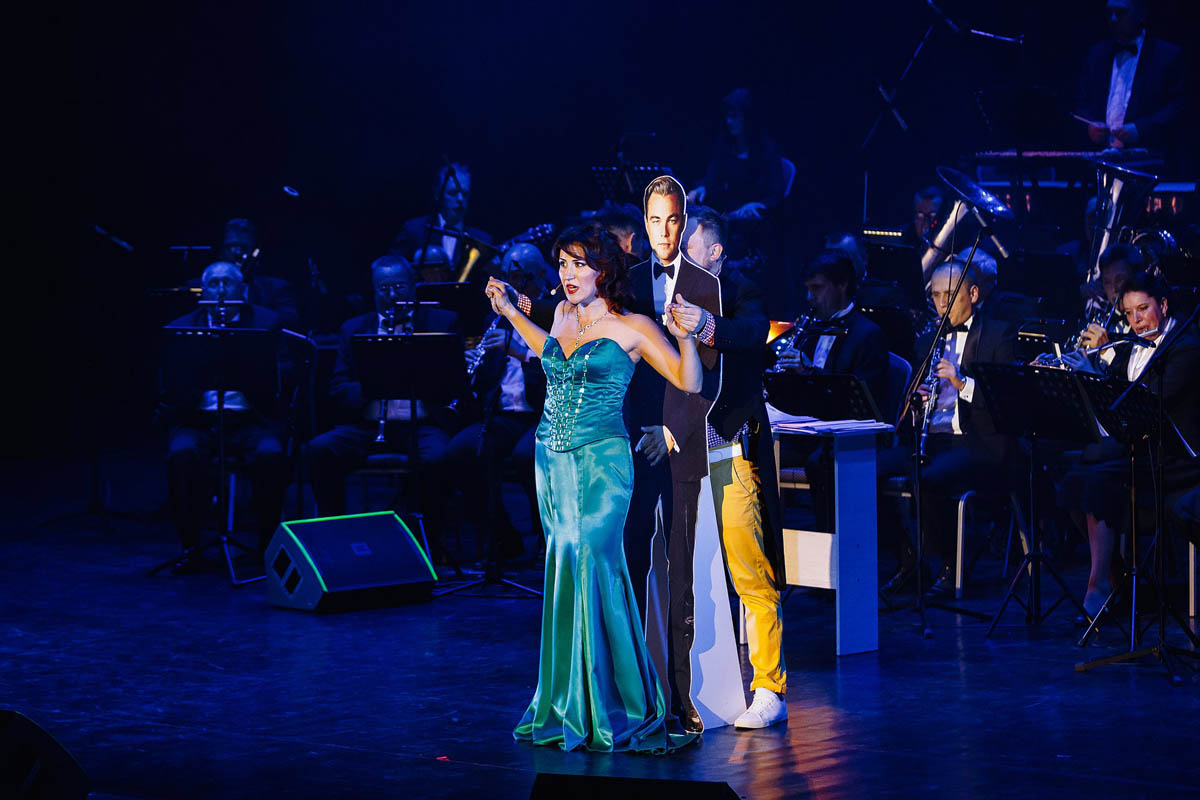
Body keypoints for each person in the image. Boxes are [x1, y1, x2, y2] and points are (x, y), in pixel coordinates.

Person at [485, 222, 701, 753]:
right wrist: (512, 313)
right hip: (551, 461)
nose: (569, 273)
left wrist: (686, 337)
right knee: (563, 567)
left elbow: (689, 381)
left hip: (603, 464)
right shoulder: (561, 314)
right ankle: (568, 702)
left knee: (596, 565)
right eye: (563, 263)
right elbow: (549, 354)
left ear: (604, 270)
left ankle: (619, 705)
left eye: (580, 264)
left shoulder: (633, 326)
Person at [670, 206, 788, 729]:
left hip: (727, 446)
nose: (677, 250)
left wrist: (706, 325)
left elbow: (754, 332)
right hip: (678, 448)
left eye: (688, 242)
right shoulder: (664, 291)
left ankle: (769, 687)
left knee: (749, 568)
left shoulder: (739, 288)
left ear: (714, 251)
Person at [1058, 272, 1200, 618]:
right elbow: (1116, 407)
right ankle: (1117, 578)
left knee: (1097, 481)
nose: (1136, 320)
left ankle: (1098, 587)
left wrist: (1095, 374)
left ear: (1163, 305)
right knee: (1073, 481)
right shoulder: (1129, 346)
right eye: (1129, 313)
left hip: (1176, 460)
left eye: (1143, 309)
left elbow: (1144, 403)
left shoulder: (1186, 348)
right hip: (1140, 453)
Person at [306, 256, 457, 524]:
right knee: (319, 450)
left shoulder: (441, 323)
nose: (392, 296)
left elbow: (454, 383)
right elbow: (338, 388)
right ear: (373, 290)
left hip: (422, 424)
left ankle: (424, 534)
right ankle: (335, 529)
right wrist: (375, 384)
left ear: (413, 286)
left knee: (438, 458)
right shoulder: (353, 329)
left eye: (399, 287)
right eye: (384, 289)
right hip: (368, 425)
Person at [163, 262, 289, 567]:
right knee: (181, 453)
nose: (220, 290)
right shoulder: (182, 328)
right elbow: (169, 384)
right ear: (203, 291)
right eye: (214, 284)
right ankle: (190, 548)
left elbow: (285, 373)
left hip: (250, 419)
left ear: (242, 290)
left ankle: (268, 549)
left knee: (270, 454)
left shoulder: (266, 323)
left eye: (228, 283)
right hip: (198, 420)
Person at [905, 259, 1017, 595]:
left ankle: (950, 565)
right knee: (873, 470)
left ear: (974, 294)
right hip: (933, 439)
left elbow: (1005, 399)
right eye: (936, 295)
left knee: (928, 479)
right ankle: (908, 561)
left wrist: (961, 383)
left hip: (979, 442)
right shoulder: (927, 341)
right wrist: (917, 399)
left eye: (950, 295)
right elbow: (911, 400)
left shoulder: (998, 335)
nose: (942, 303)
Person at [444, 243, 550, 561]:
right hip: (504, 414)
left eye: (518, 277)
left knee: (526, 457)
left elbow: (560, 369)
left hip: (544, 413)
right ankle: (502, 538)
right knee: (460, 451)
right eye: (508, 276)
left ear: (538, 276)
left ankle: (546, 537)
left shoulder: (552, 313)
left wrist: (518, 352)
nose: (511, 285)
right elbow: (488, 382)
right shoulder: (498, 317)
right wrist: (473, 366)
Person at [776, 250, 890, 535]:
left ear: (841, 285)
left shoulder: (867, 334)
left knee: (821, 463)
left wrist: (810, 373)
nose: (810, 298)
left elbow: (860, 398)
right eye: (807, 289)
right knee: (759, 450)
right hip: (809, 431)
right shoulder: (810, 329)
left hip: (847, 435)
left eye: (817, 289)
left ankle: (830, 542)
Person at [1075, 0, 1188, 159]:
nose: (1113, 19)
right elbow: (1082, 103)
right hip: (1099, 157)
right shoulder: (1096, 54)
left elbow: (1179, 106)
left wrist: (1140, 129)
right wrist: (1091, 125)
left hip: (1147, 159)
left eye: (1120, 13)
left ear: (1141, 14)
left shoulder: (1167, 56)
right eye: (1109, 13)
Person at [186, 218, 300, 328]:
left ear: (255, 252)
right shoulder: (194, 287)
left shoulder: (277, 288)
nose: (237, 253)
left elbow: (288, 325)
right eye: (231, 247)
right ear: (221, 251)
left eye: (243, 247)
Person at [391, 163, 493, 280]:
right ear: (438, 194)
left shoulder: (482, 239)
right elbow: (393, 270)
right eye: (453, 193)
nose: (460, 199)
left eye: (464, 193)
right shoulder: (414, 230)